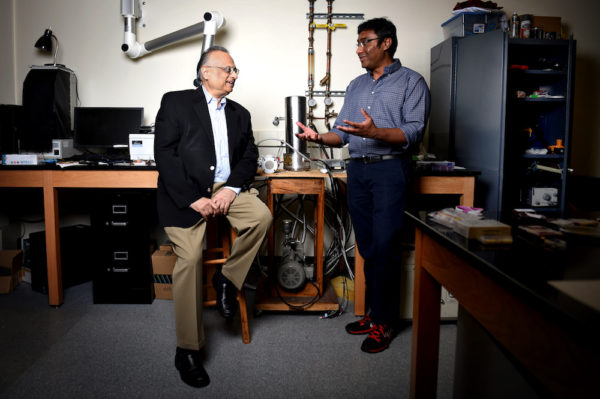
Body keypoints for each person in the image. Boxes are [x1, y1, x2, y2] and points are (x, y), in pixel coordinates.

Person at [296, 18, 430, 353]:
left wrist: (375, 133)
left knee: (386, 248)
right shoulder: (356, 85)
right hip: (358, 172)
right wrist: (317, 137)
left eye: (365, 42)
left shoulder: (412, 82)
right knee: (367, 248)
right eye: (357, 43)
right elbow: (341, 133)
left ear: (386, 43)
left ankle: (385, 324)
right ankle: (375, 315)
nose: (359, 49)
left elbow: (413, 132)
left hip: (390, 171)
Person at [154, 46, 272, 387]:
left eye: (236, 71)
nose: (234, 75)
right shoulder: (176, 103)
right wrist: (194, 198)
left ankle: (228, 278)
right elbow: (164, 153)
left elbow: (250, 156)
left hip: (225, 189)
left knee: (261, 217)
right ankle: (187, 350)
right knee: (189, 259)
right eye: (228, 69)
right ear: (206, 72)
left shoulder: (240, 113)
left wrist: (231, 188)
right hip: (185, 193)